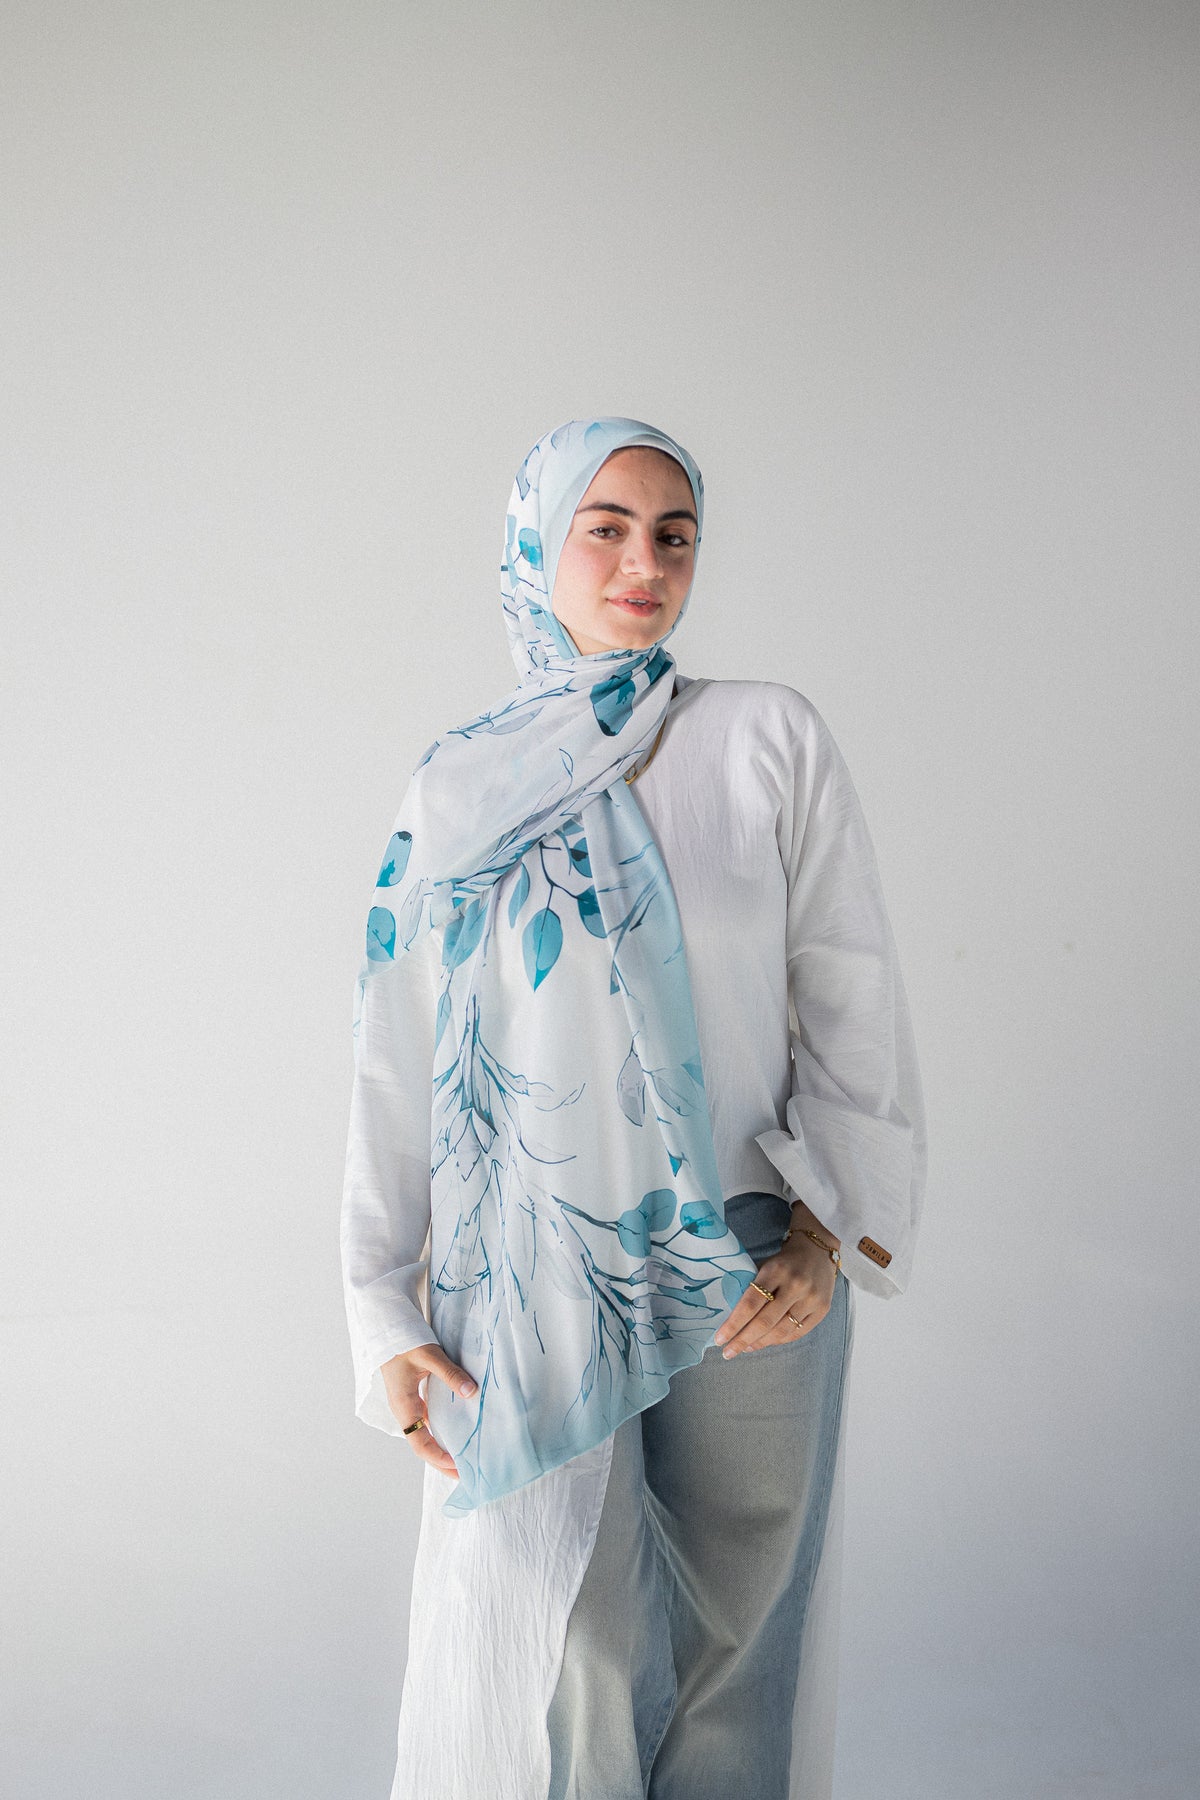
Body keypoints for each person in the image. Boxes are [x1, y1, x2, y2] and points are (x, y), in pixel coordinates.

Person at [339, 416, 927, 1800]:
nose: (643, 564)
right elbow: (396, 1056)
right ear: (536, 546)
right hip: (537, 1262)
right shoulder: (460, 790)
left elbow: (852, 1000)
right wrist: (383, 1310)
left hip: (752, 1255)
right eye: (604, 529)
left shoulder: (766, 736)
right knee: (576, 1640)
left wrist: (823, 1237)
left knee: (745, 1634)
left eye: (675, 534)